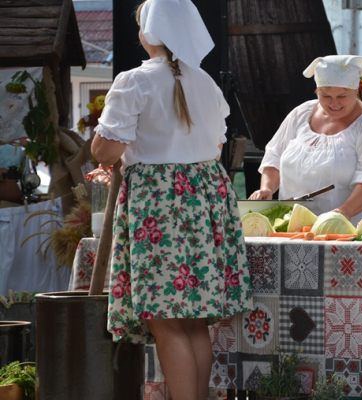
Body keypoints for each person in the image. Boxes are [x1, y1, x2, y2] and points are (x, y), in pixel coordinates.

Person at [90, 1, 253, 399]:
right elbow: (214, 150)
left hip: (157, 205)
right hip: (203, 200)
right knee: (193, 321)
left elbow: (105, 151)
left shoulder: (134, 81)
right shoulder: (206, 82)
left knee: (166, 321)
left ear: (148, 34)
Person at [248, 55, 362, 224]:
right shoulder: (301, 113)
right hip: (294, 223)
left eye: (342, 96)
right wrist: (267, 188)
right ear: (316, 91)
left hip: (349, 226)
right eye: (325, 96)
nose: (334, 104)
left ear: (356, 91)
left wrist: (344, 212)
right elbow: (274, 156)